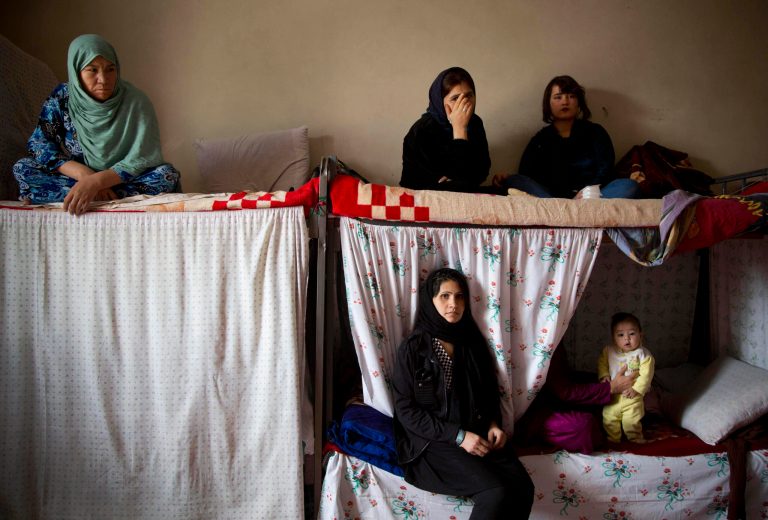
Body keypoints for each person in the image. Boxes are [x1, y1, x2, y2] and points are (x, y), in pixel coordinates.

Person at [392, 268, 534, 519]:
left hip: (474, 433)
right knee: (495, 492)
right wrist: (458, 436)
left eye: (459, 297)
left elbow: (488, 392)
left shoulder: (472, 342)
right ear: (430, 300)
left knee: (522, 487)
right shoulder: (414, 348)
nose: (453, 304)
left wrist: (492, 424)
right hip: (432, 443)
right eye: (444, 296)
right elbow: (406, 410)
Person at [12, 34, 180, 215]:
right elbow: (40, 145)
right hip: (78, 179)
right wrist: (86, 176)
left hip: (123, 179)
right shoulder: (62, 99)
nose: (103, 79)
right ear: (76, 72)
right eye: (92, 70)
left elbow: (143, 156)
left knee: (166, 174)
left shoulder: (136, 101)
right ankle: (102, 197)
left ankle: (79, 196)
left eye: (110, 69)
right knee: (23, 168)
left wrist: (98, 182)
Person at [497, 75, 639, 199]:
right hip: (552, 197)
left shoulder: (595, 132)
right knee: (514, 181)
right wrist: (507, 178)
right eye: (558, 97)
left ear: (579, 103)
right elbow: (527, 174)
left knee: (628, 185)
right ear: (548, 104)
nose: (565, 102)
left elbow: (605, 169)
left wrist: (585, 193)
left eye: (571, 96)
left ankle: (579, 208)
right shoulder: (541, 139)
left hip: (592, 195)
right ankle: (562, 207)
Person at [513, 344, 638, 454]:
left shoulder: (554, 335)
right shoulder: (539, 338)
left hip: (553, 397)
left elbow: (561, 380)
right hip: (533, 414)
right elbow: (564, 391)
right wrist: (611, 387)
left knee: (600, 387)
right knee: (584, 425)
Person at [400, 67, 496, 193]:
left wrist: (458, 178)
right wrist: (459, 129)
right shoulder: (423, 130)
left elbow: (482, 171)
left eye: (469, 95)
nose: (464, 103)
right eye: (455, 98)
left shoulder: (475, 123)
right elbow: (422, 184)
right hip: (424, 197)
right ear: (440, 101)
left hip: (466, 193)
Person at [598, 312, 655, 443]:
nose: (627, 339)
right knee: (609, 418)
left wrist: (637, 389)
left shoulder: (643, 354)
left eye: (632, 334)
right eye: (621, 335)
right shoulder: (608, 351)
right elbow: (602, 363)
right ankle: (613, 439)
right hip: (612, 396)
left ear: (641, 335)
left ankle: (635, 439)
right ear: (613, 338)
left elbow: (647, 375)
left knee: (631, 420)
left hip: (632, 396)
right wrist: (604, 375)